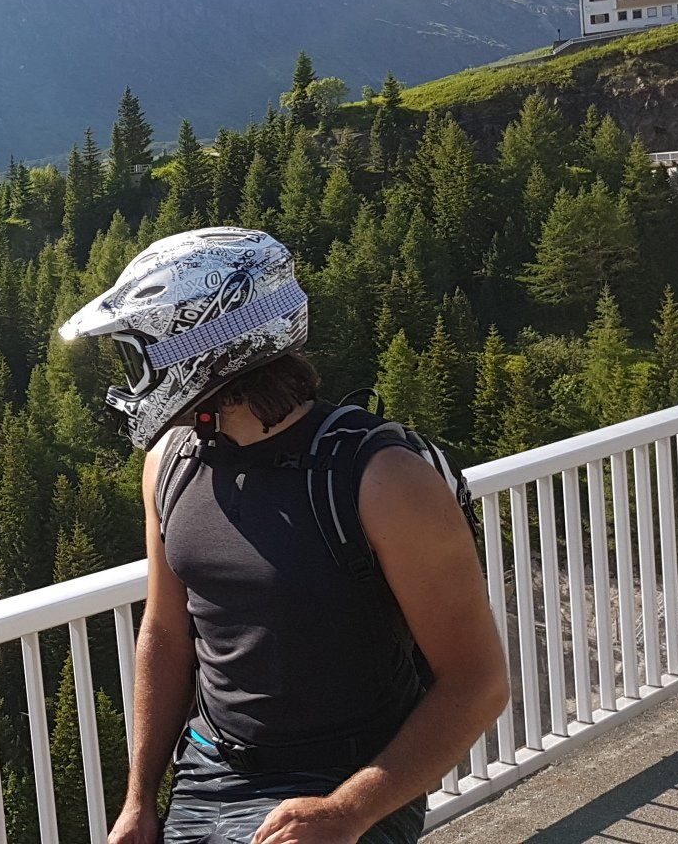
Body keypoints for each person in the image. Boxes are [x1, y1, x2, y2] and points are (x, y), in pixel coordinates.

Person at [59, 227, 507, 844]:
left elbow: (477, 681)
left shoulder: (382, 479)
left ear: (205, 350)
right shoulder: (169, 463)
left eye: (141, 355)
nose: (133, 379)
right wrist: (139, 801)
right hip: (210, 770)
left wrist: (348, 811)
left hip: (345, 781)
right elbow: (165, 632)